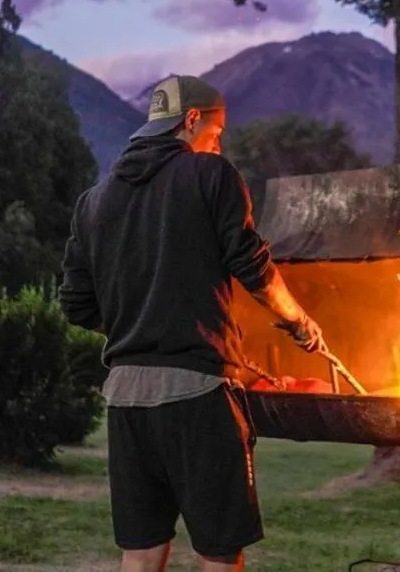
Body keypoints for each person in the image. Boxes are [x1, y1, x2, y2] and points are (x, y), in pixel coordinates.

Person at [59, 74, 328, 572]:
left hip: (125, 399)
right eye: (216, 130)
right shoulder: (211, 174)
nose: (217, 142)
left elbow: (75, 303)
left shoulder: (93, 201)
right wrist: (298, 319)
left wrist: (136, 321)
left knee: (139, 551)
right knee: (219, 553)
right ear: (191, 121)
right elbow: (253, 266)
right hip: (198, 398)